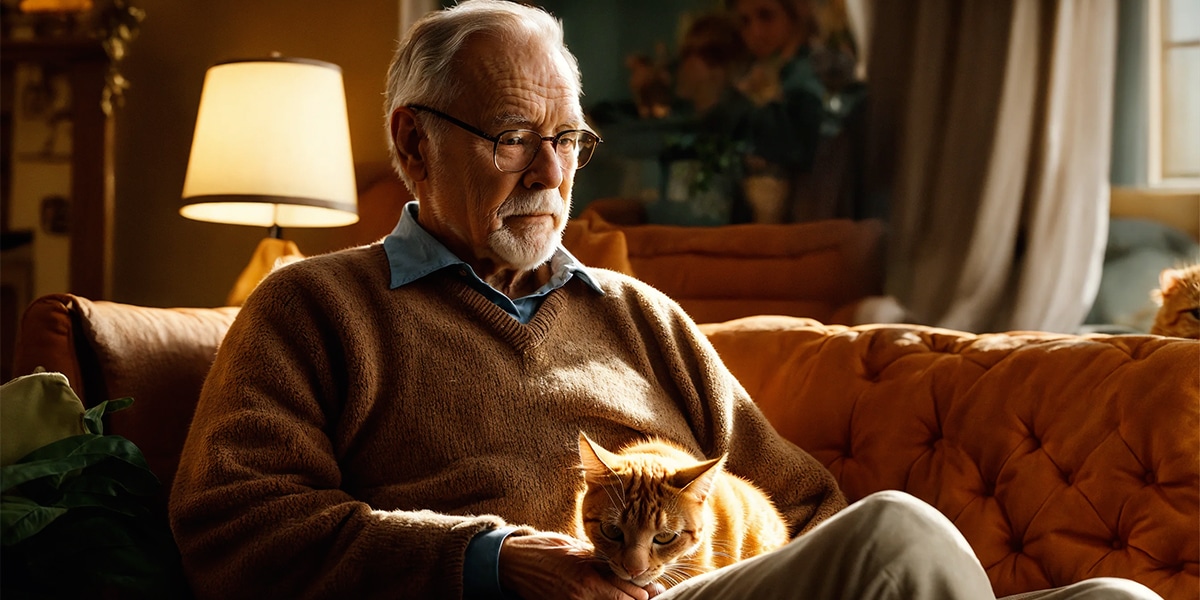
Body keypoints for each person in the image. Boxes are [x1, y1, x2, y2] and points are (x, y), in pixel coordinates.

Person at [168, 2, 1163, 599]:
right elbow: (234, 525)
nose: (551, 171)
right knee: (896, 530)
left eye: (570, 141)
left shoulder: (638, 314)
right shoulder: (317, 305)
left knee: (1115, 595)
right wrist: (488, 560)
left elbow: (807, 505)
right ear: (415, 144)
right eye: (515, 135)